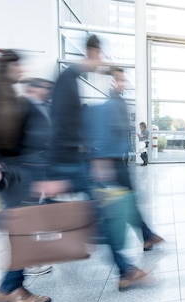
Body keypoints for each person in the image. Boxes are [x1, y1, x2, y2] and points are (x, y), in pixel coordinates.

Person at [47, 35, 148, 289]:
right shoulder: (68, 79)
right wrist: (53, 173)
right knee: (94, 212)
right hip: (69, 162)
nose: (101, 61)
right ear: (92, 53)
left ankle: (125, 269)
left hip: (74, 160)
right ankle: (12, 281)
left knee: (99, 212)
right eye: (101, 55)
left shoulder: (72, 80)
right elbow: (60, 125)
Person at [0, 50, 52, 302]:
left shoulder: (13, 95)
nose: (22, 71)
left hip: (18, 169)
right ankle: (10, 288)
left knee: (20, 228)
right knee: (22, 229)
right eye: (20, 66)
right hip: (9, 171)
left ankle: (11, 286)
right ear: (9, 66)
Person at [88, 67, 164, 252]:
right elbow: (105, 133)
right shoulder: (111, 105)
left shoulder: (118, 102)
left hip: (120, 161)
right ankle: (145, 237)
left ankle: (147, 236)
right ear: (112, 82)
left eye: (124, 80)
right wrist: (102, 163)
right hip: (113, 163)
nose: (124, 83)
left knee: (128, 201)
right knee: (125, 202)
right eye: (120, 80)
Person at [21, 78, 55, 277]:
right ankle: (29, 262)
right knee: (28, 213)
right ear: (33, 88)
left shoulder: (46, 107)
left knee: (42, 212)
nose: (48, 91)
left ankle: (40, 253)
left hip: (43, 167)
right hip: (29, 167)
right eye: (45, 87)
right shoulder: (23, 107)